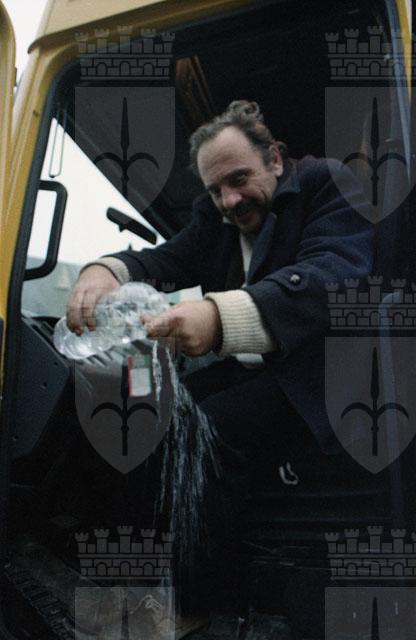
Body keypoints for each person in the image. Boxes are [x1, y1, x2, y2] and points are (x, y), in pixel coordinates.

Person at [66, 100, 373, 635]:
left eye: (239, 180)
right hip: (258, 368)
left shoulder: (327, 184)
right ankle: (139, 579)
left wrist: (218, 316)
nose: (229, 201)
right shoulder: (220, 216)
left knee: (212, 429)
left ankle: (195, 602)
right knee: (151, 412)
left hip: (320, 373)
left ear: (274, 159)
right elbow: (168, 258)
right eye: (215, 190)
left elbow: (332, 277)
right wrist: (106, 270)